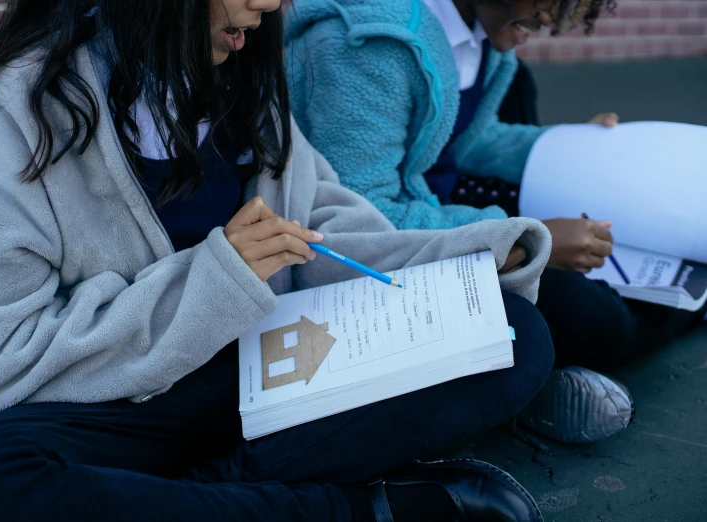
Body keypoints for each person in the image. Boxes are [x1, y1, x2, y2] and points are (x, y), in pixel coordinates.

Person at [0, 1, 558, 521]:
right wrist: (213, 278)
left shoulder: (245, 78)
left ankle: (194, 497)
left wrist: (465, 258)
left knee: (515, 332)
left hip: (256, 382)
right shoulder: (34, 100)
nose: (271, 4)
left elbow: (324, 233)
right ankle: (351, 509)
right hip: (110, 410)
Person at [284, 0, 707, 444]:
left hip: (434, 208)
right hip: (370, 256)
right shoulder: (368, 46)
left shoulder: (487, 29)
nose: (551, 20)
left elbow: (469, 141)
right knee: (585, 313)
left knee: (611, 242)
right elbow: (361, 220)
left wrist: (573, 146)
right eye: (550, 3)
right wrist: (526, 240)